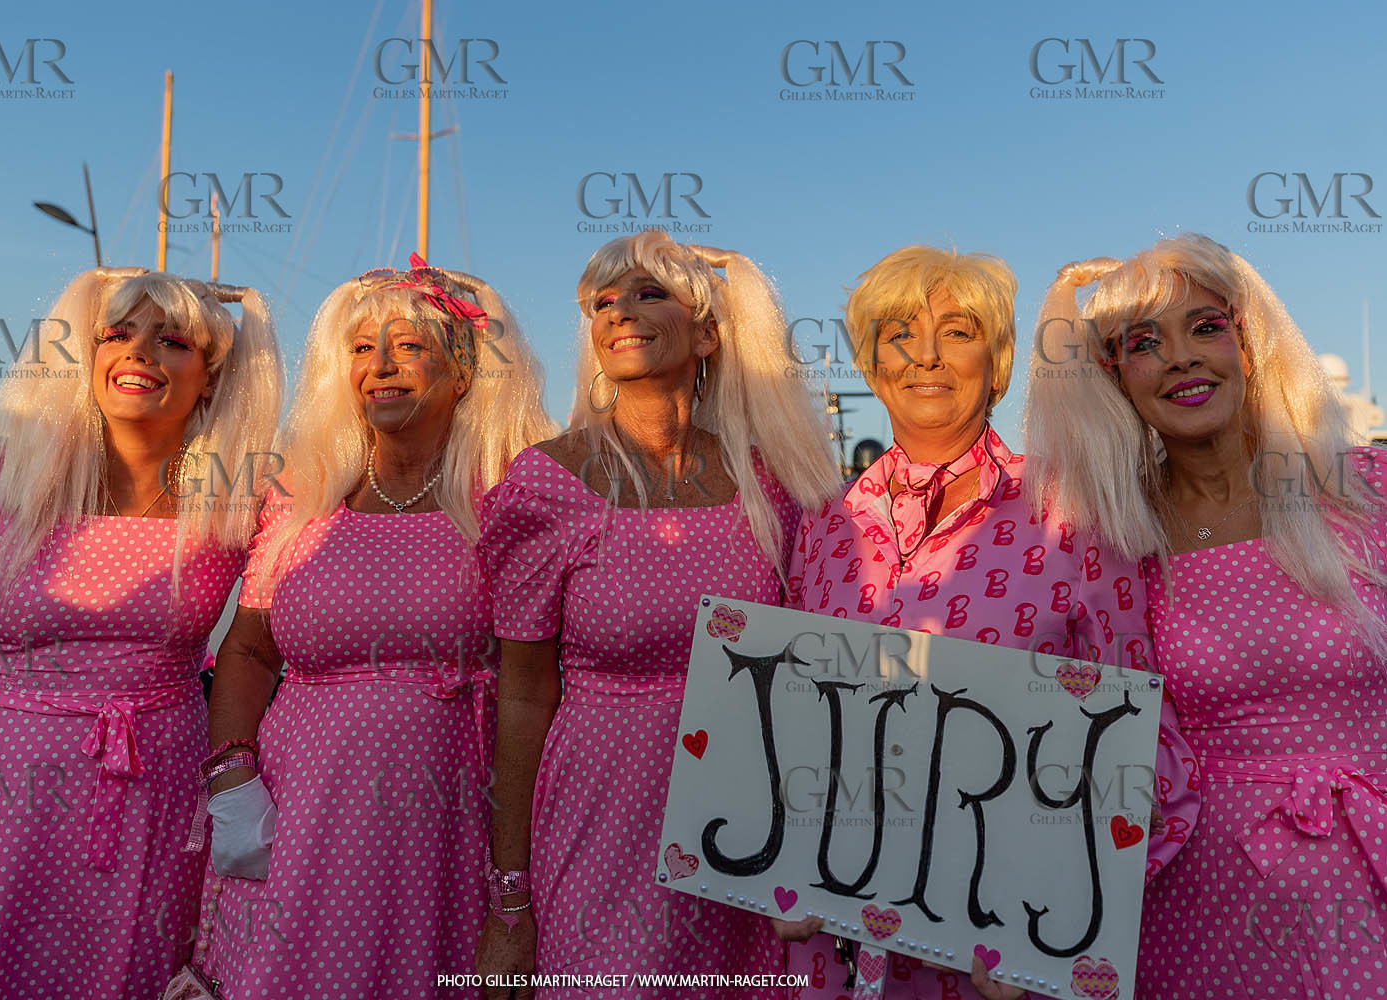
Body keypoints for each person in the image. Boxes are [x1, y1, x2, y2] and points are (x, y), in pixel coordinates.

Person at [783, 246, 1200, 1000]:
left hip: (1006, 950)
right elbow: (794, 726)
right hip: (840, 945)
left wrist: (1061, 913)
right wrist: (778, 862)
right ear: (872, 366)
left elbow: (1146, 734)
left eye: (959, 330)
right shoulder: (825, 524)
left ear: (1000, 363)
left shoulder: (1073, 508)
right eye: (900, 332)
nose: (928, 355)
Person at [0, 268, 281, 999]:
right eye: (118, 333)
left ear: (211, 377)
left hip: (158, 806)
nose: (141, 354)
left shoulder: (243, 499)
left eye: (173, 341)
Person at [474, 230, 840, 998]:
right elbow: (522, 696)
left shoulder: (772, 484)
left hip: (745, 828)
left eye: (648, 294)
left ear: (708, 332)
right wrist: (511, 898)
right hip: (601, 815)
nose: (619, 313)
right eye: (602, 302)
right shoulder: (546, 484)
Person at [1023, 233, 1387, 999]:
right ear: (1116, 380)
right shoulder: (1119, 545)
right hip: (1201, 908)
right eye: (1144, 342)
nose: (1183, 357)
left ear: (1249, 345)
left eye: (1205, 326)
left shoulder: (1366, 491)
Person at [191, 255, 555, 999]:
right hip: (299, 818)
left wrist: (513, 879)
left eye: (408, 346)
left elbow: (535, 685)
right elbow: (251, 648)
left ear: (462, 371)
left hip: (452, 818)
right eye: (362, 348)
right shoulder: (303, 494)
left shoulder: (510, 498)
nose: (380, 366)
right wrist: (231, 781)